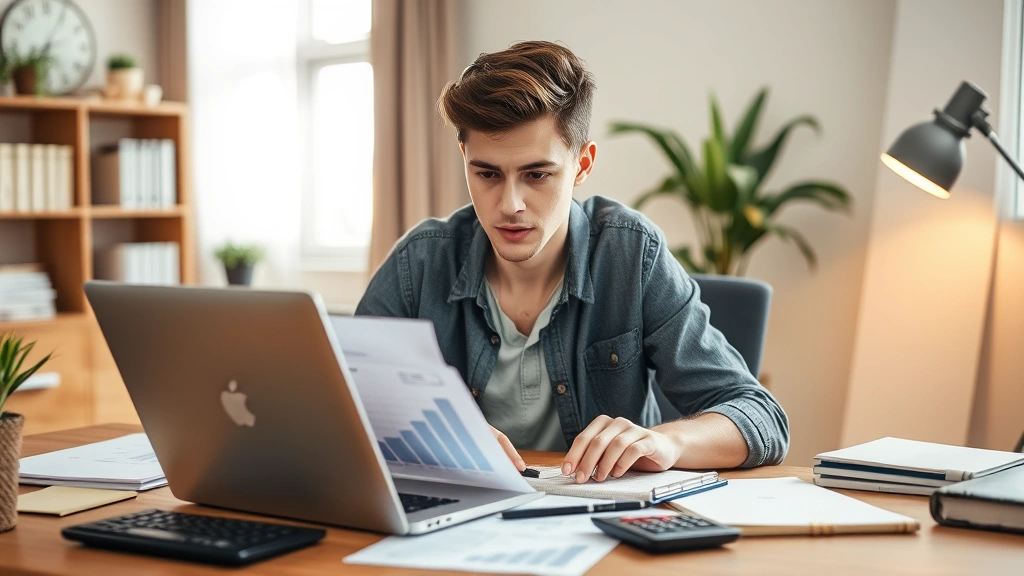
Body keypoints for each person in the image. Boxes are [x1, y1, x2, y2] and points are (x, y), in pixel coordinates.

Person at [356, 40, 788, 483]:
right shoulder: (421, 261)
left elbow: (760, 416)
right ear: (465, 159)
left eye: (537, 174)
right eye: (487, 173)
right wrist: (435, 437)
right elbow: (344, 405)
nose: (510, 205)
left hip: (601, 525)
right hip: (460, 517)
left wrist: (665, 441)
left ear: (582, 164)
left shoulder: (630, 255)